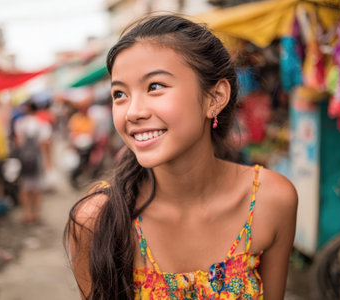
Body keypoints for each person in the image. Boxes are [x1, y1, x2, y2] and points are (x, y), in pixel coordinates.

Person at [65, 14, 298, 300]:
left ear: (215, 98)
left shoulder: (269, 200)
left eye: (155, 87)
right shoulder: (97, 219)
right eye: (119, 94)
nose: (133, 112)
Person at [14, 101, 51, 224]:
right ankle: (35, 214)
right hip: (37, 159)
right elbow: (44, 144)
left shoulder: (20, 123)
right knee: (36, 187)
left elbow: (19, 143)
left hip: (24, 159)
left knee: (24, 187)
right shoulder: (42, 124)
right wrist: (48, 161)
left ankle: (26, 213)